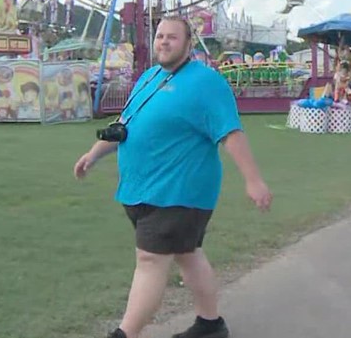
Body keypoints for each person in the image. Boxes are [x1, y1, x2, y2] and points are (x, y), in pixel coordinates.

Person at [74, 17, 273, 338]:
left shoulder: (206, 82)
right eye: (160, 36)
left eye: (172, 37)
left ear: (189, 43)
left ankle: (126, 333)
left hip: (180, 189)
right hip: (140, 188)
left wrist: (253, 180)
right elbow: (125, 124)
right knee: (187, 253)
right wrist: (94, 153)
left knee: (150, 259)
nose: (164, 42)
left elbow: (230, 132)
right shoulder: (149, 78)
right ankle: (210, 326)